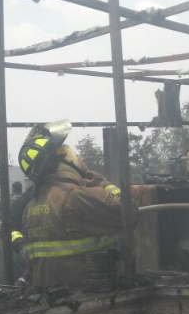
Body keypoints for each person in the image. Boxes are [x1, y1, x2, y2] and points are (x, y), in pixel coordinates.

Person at [18, 120, 133, 288]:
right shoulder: (77, 198)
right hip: (93, 302)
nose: (81, 158)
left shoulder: (30, 208)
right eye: (75, 153)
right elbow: (131, 214)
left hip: (51, 303)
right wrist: (103, 184)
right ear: (63, 160)